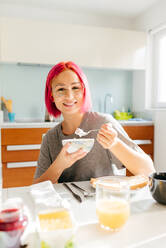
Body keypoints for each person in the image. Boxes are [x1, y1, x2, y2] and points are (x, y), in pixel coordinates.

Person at [33, 61, 155, 184]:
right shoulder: (50, 139)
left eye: (75, 87)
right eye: (61, 89)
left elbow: (148, 170)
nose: (69, 96)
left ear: (84, 91)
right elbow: (37, 188)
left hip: (103, 200)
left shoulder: (104, 123)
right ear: (51, 96)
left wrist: (115, 144)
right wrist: (59, 164)